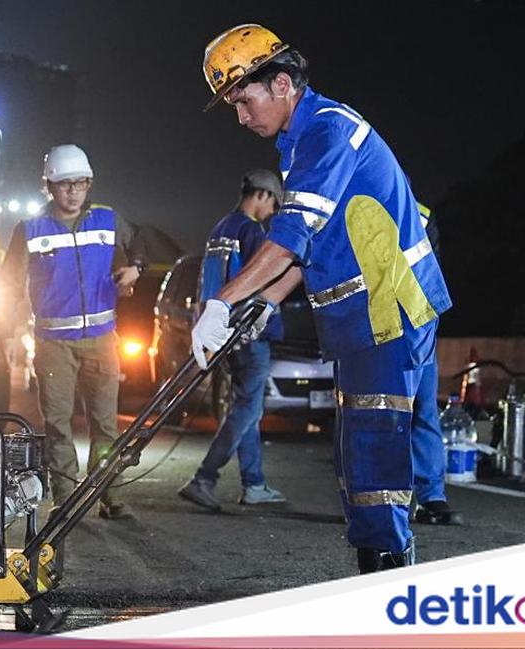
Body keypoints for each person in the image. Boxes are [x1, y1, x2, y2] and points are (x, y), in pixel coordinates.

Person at [191, 24, 452, 572]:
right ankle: (377, 570)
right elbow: (315, 245)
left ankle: (388, 583)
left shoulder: (328, 130)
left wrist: (224, 300)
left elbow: (292, 235)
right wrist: (266, 300)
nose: (241, 117)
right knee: (356, 452)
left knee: (375, 453)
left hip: (387, 312)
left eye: (243, 100)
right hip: (363, 320)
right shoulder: (300, 141)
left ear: (282, 83)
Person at [0, 144, 146, 519]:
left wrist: (136, 269)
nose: (73, 191)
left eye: (80, 183)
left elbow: (139, 243)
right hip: (53, 345)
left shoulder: (109, 221)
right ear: (49, 186)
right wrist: (4, 331)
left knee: (106, 426)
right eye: (64, 184)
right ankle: (66, 501)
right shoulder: (30, 230)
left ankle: (110, 496)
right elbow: (8, 284)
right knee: (58, 425)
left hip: (102, 341)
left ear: (89, 183)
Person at [179, 169, 288, 510]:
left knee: (247, 408)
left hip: (224, 334)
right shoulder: (251, 231)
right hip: (248, 333)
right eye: (274, 204)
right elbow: (263, 277)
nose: (272, 214)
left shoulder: (220, 227)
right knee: (246, 409)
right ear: (263, 196)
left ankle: (254, 483)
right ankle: (204, 478)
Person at [409, 203, 463, 526]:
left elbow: (430, 274)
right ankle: (371, 501)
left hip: (417, 326)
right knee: (372, 416)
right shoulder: (358, 201)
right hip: (375, 328)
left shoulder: (422, 215)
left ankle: (431, 496)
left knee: (424, 410)